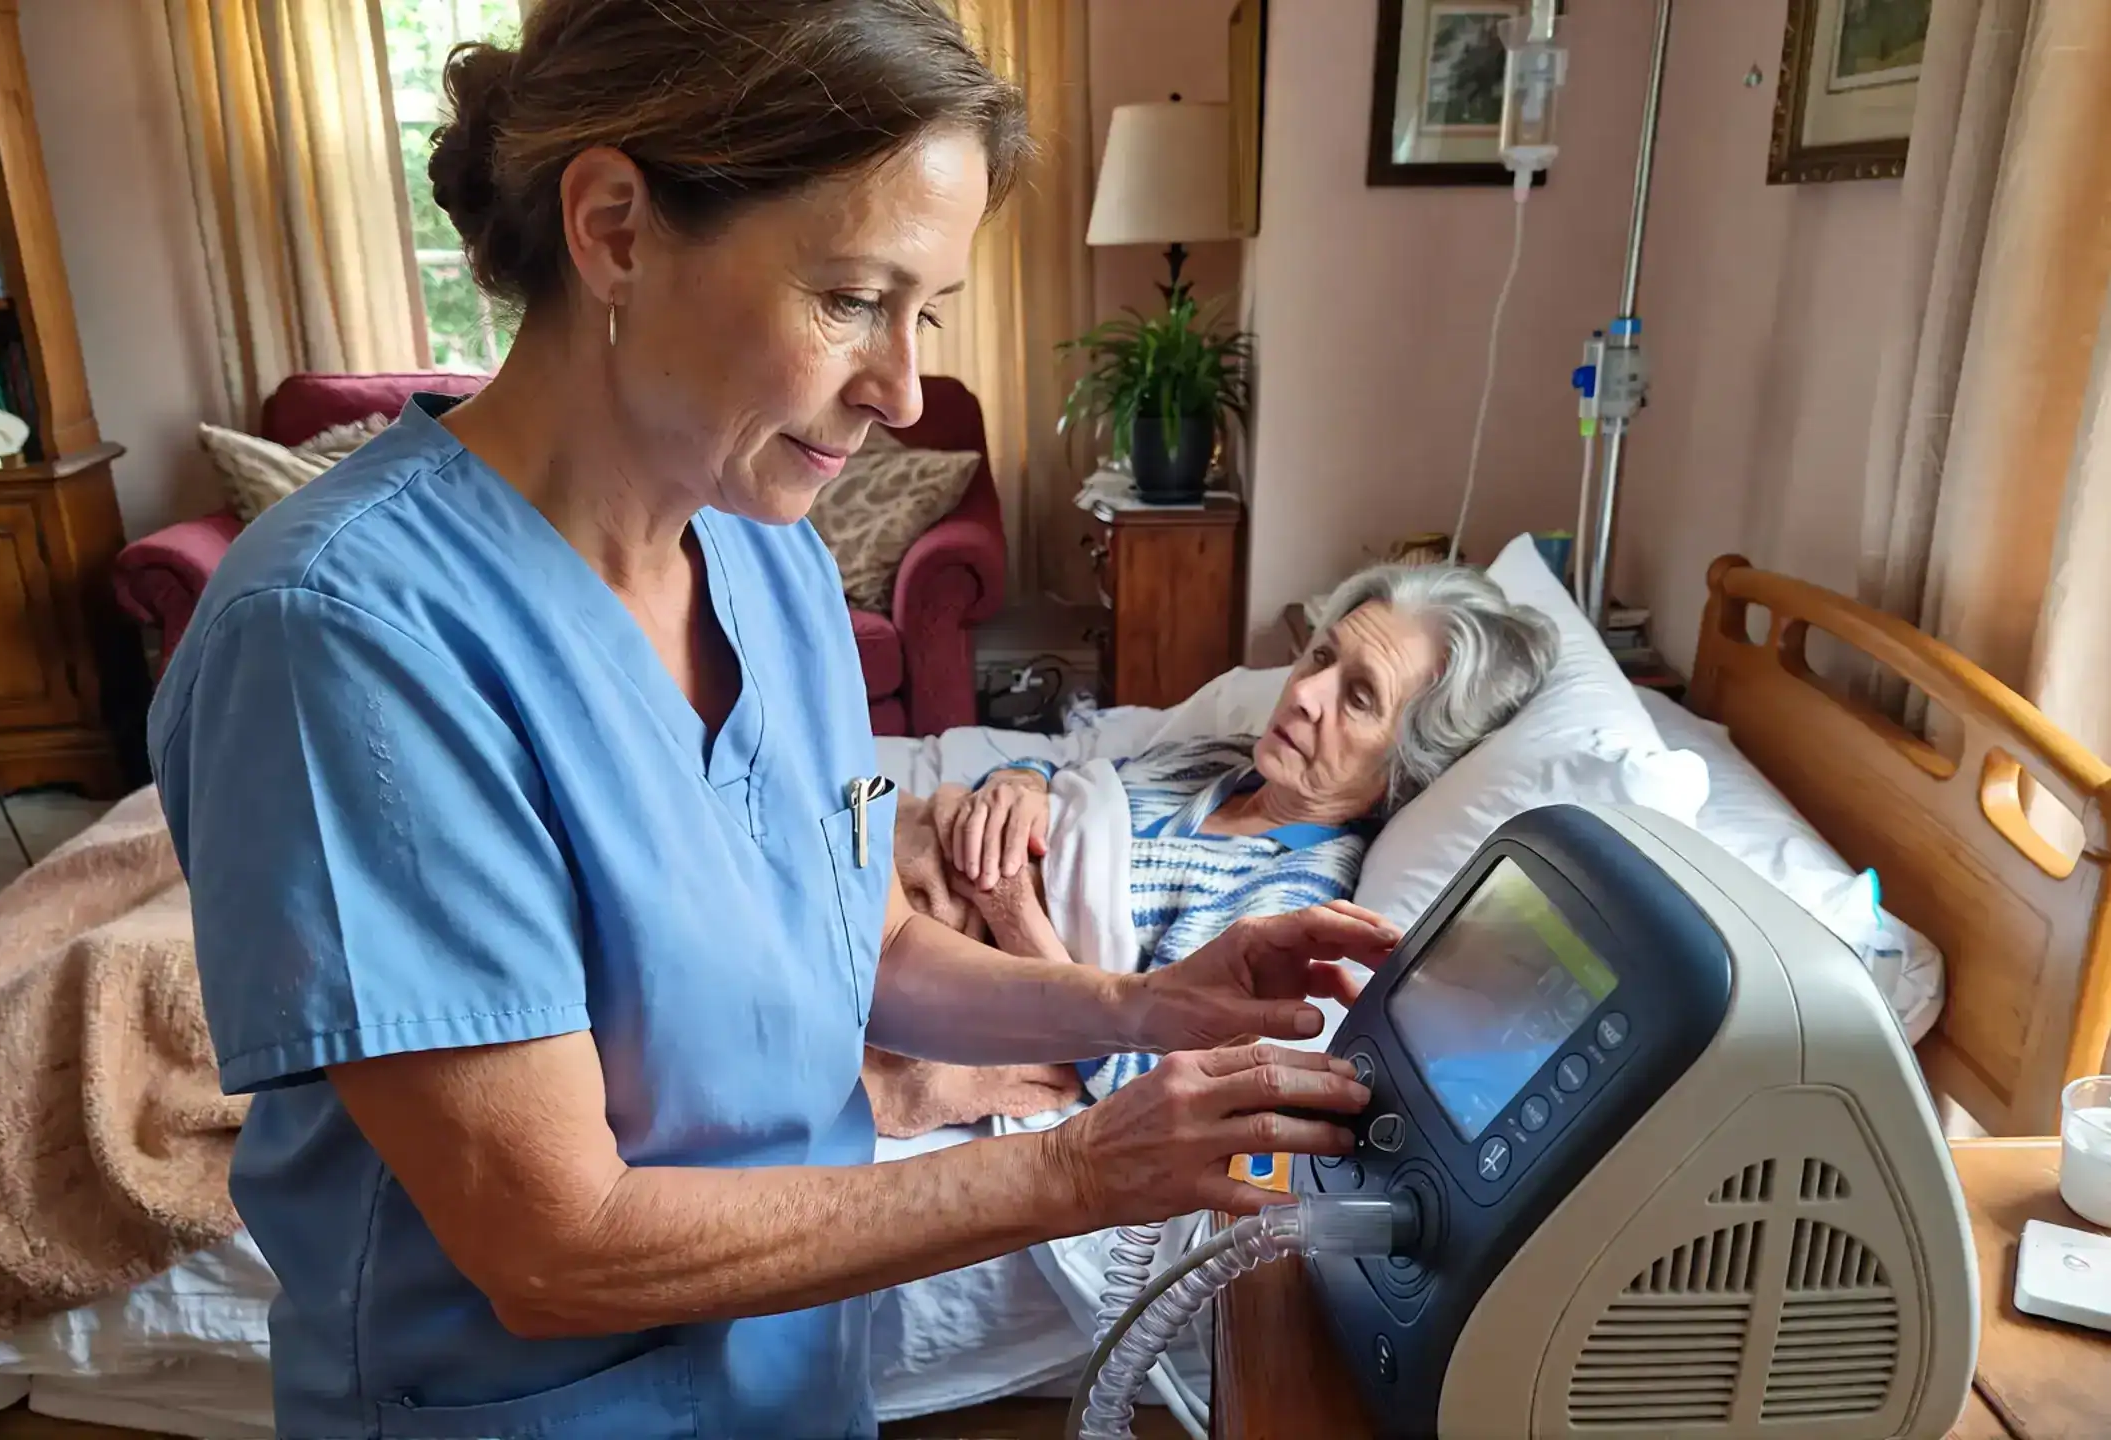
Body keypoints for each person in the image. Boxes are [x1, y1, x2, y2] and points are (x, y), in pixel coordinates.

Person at [146, 3, 1397, 1435]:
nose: (905, 389)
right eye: (854, 299)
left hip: (796, 1383)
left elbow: (851, 940)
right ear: (614, 226)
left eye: (925, 315)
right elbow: (552, 1245)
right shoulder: (347, 637)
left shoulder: (770, 559)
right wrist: (1079, 1168)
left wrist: (1146, 1009)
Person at [929, 564, 1558, 1097]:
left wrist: (1007, 902)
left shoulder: (1293, 898)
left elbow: (1146, 1071)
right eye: (1322, 655)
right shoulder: (1220, 763)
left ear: (1408, 768)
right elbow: (1069, 779)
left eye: (1359, 696)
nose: (1307, 690)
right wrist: (1020, 782)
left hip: (944, 965)